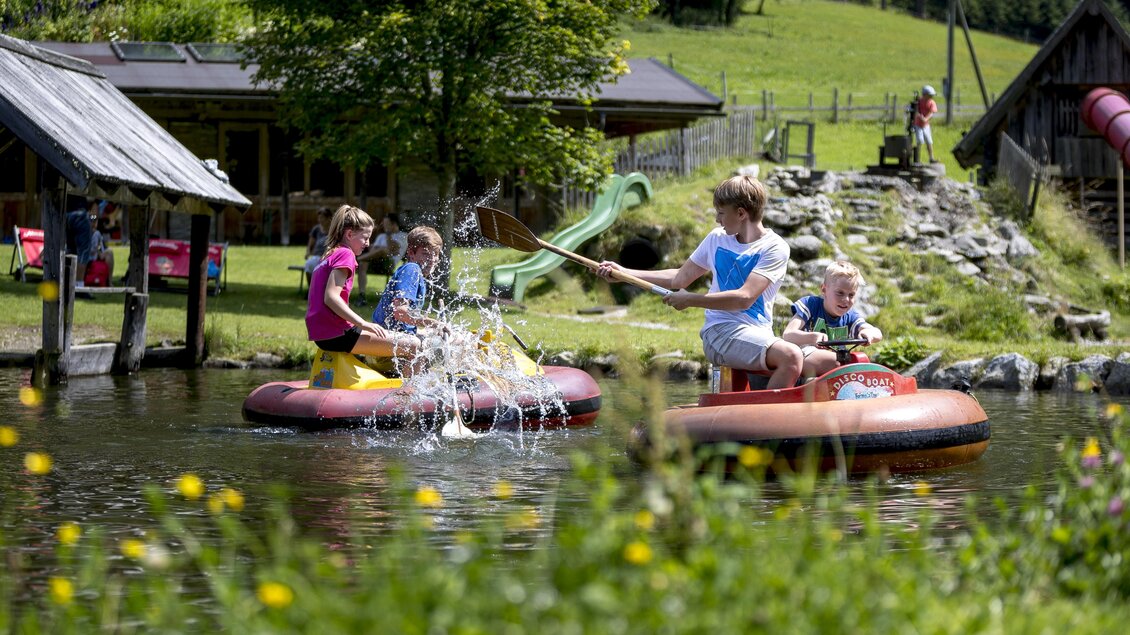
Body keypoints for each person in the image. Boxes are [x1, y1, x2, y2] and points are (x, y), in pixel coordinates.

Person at [596, 175, 803, 390]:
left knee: (816, 360)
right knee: (791, 356)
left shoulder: (774, 248)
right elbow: (679, 278)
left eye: (721, 213)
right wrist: (624, 272)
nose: (717, 219)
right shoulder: (716, 238)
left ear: (741, 213)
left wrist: (690, 299)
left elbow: (744, 299)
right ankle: (765, 416)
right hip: (719, 331)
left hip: (759, 333)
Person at [305, 204, 420, 366]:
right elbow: (331, 297)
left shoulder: (329, 254)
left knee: (388, 336)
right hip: (338, 334)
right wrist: (362, 323)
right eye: (365, 238)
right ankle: (409, 391)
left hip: (322, 334)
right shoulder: (346, 254)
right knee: (414, 344)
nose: (367, 243)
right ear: (350, 234)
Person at [782, 261, 884, 378]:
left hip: (836, 360)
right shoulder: (810, 305)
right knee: (837, 363)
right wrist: (812, 337)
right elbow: (788, 335)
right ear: (824, 289)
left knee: (859, 361)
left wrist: (868, 333)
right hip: (803, 355)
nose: (846, 299)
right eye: (840, 293)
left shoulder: (850, 316)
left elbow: (878, 334)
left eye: (851, 295)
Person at [372, 225, 447, 338]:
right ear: (411, 253)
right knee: (458, 340)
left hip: (395, 334)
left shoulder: (415, 272)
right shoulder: (412, 269)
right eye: (426, 254)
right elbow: (400, 312)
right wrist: (433, 323)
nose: (432, 259)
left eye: (435, 254)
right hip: (387, 335)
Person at [355, 213, 407, 306]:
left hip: (389, 264)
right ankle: (361, 295)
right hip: (374, 262)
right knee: (363, 263)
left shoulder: (403, 236)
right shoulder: (381, 236)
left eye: (387, 224)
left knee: (383, 250)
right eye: (384, 224)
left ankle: (356, 259)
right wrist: (378, 249)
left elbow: (393, 250)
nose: (385, 226)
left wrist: (388, 236)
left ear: (394, 224)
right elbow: (372, 251)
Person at [64, 199, 97, 287]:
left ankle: (68, 286)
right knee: (83, 253)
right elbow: (91, 197)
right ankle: (79, 286)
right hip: (80, 213)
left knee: (70, 250)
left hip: (65, 214)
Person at [304, 206, 332, 285]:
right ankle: (311, 289)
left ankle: (320, 290)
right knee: (309, 264)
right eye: (319, 218)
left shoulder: (334, 230)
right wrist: (308, 252)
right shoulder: (316, 229)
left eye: (322, 218)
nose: (320, 220)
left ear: (328, 218)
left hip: (328, 257)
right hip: (316, 256)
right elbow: (310, 245)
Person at [913, 84, 939, 163]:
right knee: (919, 141)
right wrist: (919, 116)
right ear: (925, 95)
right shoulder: (919, 102)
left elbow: (931, 113)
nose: (931, 97)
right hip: (918, 124)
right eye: (930, 95)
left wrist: (925, 119)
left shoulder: (932, 102)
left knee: (929, 141)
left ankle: (931, 158)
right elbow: (915, 110)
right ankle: (917, 159)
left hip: (925, 125)